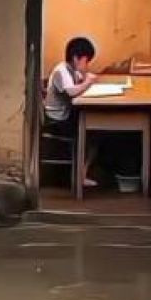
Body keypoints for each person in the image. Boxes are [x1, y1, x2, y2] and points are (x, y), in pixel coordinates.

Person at [44, 37, 99, 187]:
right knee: (92, 134)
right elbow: (71, 92)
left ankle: (82, 173)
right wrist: (88, 82)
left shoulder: (71, 69)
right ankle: (80, 176)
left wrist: (84, 77)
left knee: (94, 130)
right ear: (76, 58)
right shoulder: (61, 71)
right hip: (56, 119)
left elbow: (79, 81)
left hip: (65, 114)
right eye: (86, 61)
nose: (86, 65)